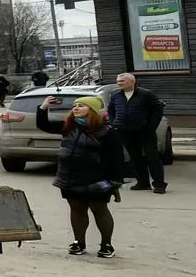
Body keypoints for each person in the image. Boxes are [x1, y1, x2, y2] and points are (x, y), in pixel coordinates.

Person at [34, 94, 127, 258]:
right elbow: (43, 125)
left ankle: (106, 244)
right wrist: (43, 107)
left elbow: (117, 158)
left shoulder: (106, 131)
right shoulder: (69, 127)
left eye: (81, 106)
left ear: (92, 110)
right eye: (75, 106)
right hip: (70, 177)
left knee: (100, 210)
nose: (75, 108)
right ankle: (79, 242)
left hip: (97, 178)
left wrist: (115, 181)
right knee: (77, 209)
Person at [109, 73, 167, 194]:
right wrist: (114, 123)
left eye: (122, 81)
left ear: (132, 82)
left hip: (144, 130)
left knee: (152, 157)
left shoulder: (145, 94)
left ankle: (159, 184)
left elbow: (157, 110)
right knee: (135, 157)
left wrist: (151, 126)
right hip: (124, 130)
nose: (119, 83)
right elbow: (111, 110)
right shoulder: (115, 95)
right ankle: (143, 182)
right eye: (118, 81)